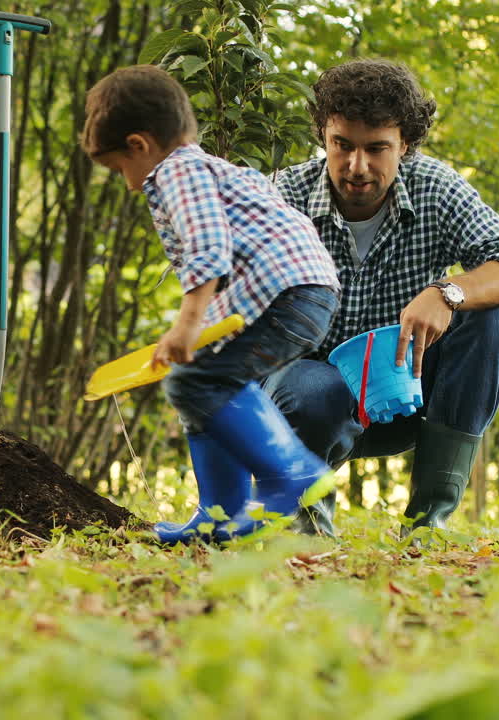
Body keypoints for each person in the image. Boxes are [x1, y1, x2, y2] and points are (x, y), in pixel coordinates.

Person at [266, 59, 499, 536]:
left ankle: (427, 526)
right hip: (309, 402)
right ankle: (305, 526)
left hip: (407, 394)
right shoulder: (282, 196)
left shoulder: (436, 188)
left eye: (376, 149)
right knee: (313, 389)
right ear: (324, 138)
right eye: (342, 145)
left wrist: (448, 292)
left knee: (495, 319)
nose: (357, 167)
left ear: (406, 147)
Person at [80, 65, 343, 542]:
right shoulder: (215, 170)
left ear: (139, 144)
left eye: (121, 168)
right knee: (196, 389)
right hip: (297, 292)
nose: (128, 183)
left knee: (197, 384)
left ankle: (292, 475)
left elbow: (208, 248)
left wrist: (186, 325)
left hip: (288, 291)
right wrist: (197, 336)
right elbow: (236, 263)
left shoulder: (177, 170)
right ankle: (220, 518)